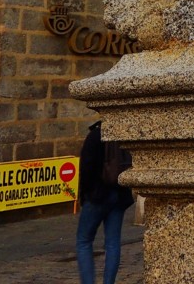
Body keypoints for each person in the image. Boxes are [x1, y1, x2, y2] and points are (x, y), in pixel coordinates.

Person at [77, 120, 134, 284]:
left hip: (98, 195)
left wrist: (85, 195)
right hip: (119, 194)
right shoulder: (124, 135)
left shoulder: (95, 136)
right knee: (112, 243)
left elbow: (86, 168)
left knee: (84, 240)